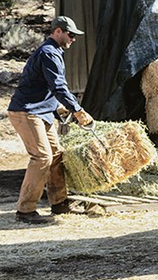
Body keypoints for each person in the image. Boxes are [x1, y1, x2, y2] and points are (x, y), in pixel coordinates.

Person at [8, 15, 94, 223]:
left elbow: (45, 88)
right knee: (42, 157)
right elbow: (58, 87)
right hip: (27, 112)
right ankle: (25, 211)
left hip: (40, 112)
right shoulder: (49, 53)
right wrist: (78, 111)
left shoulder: (53, 52)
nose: (73, 39)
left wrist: (57, 109)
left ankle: (59, 204)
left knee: (56, 155)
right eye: (70, 34)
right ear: (58, 32)